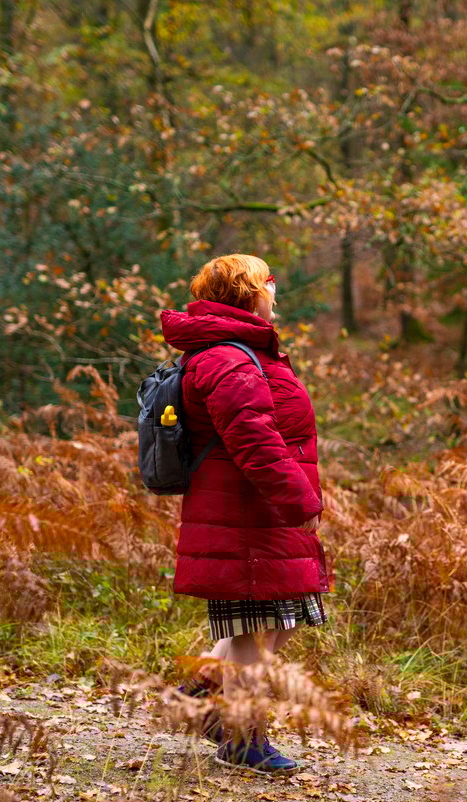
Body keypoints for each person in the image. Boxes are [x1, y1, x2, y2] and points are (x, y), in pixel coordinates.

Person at [160, 253, 327, 775]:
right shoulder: (228, 357)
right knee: (258, 628)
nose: (276, 292)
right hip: (248, 510)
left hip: (258, 508)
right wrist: (299, 500)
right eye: (269, 282)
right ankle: (241, 737)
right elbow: (254, 439)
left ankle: (199, 696)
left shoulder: (242, 350)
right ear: (248, 292)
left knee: (281, 619)